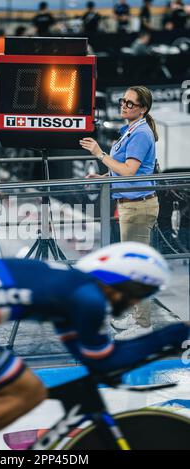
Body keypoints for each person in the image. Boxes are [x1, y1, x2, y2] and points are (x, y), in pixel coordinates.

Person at [0, 242, 189, 450]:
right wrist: (174, 334)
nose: (136, 303)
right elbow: (104, 361)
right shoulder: (87, 299)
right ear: (126, 284)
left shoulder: (68, 289)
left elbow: (92, 358)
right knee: (28, 390)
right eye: (141, 294)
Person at [80, 86, 159, 340]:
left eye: (130, 103)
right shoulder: (130, 131)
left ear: (142, 109)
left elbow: (129, 171)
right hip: (129, 204)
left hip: (138, 207)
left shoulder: (141, 134)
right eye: (123, 101)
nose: (124, 106)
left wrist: (99, 154)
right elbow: (120, 170)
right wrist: (102, 175)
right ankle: (137, 316)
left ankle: (143, 324)